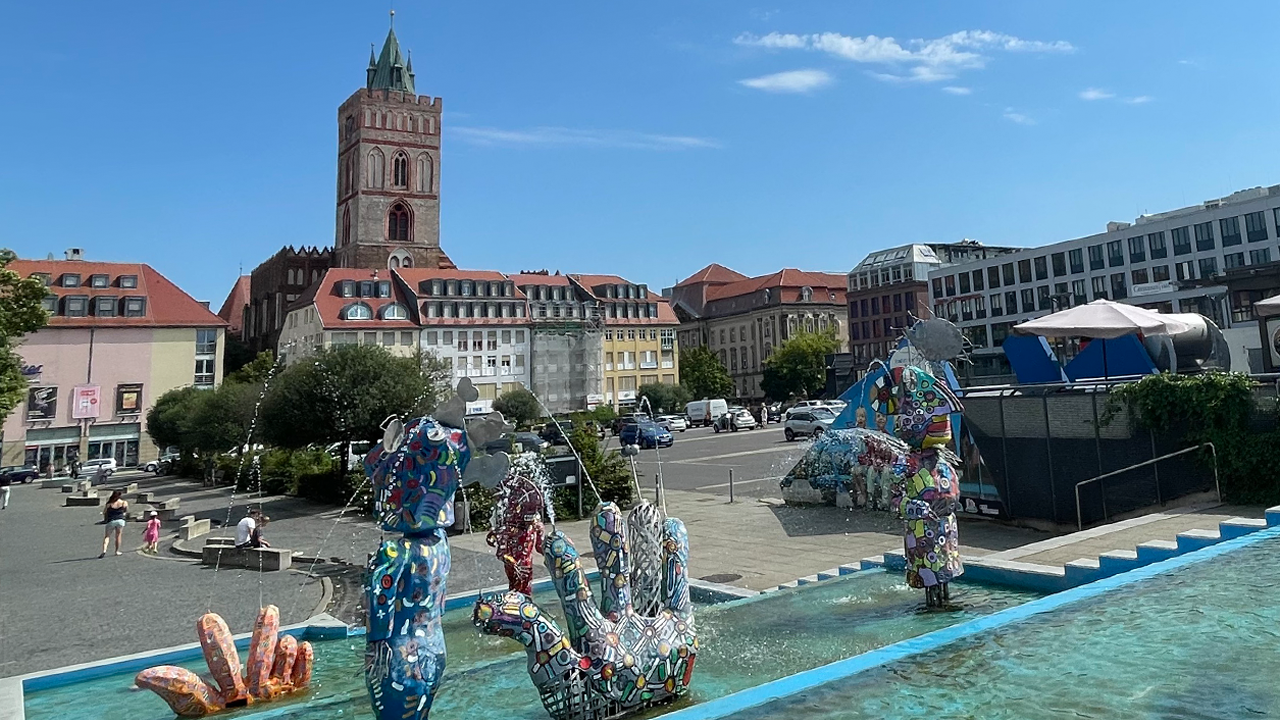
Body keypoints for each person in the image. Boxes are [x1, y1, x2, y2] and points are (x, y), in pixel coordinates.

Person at [100, 490, 128, 558]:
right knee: (118, 536)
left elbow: (104, 512)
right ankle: (117, 551)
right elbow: (125, 511)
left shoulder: (109, 504)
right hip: (120, 520)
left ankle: (104, 550)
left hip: (111, 521)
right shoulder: (124, 502)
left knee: (107, 536)